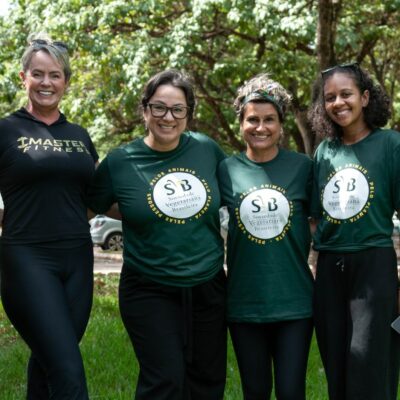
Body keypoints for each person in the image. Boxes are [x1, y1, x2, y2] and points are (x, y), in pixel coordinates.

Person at [87, 69, 227, 400]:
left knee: (207, 381)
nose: (168, 117)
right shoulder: (121, 161)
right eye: (159, 107)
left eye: (178, 109)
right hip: (148, 286)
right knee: (164, 379)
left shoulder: (207, 149)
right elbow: (90, 207)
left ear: (188, 114)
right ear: (145, 109)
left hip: (208, 284)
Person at [0, 34, 98, 399]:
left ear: (66, 81)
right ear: (23, 78)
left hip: (77, 257)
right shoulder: (6, 130)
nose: (46, 82)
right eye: (38, 74)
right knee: (68, 370)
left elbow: (94, 196)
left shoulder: (80, 136)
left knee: (50, 360)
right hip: (27, 258)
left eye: (55, 75)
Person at [218, 74, 314, 399]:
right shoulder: (226, 169)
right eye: (252, 119)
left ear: (281, 125)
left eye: (269, 119)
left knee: (291, 391)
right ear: (241, 123)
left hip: (295, 302)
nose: (261, 127)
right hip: (244, 301)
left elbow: (320, 222)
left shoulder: (303, 167)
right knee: (255, 391)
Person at [309, 62, 400, 400]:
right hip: (330, 270)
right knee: (336, 366)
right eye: (330, 97)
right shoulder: (325, 151)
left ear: (364, 97)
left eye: (346, 94)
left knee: (369, 366)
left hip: (374, 267)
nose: (338, 103)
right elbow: (315, 216)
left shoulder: (390, 144)